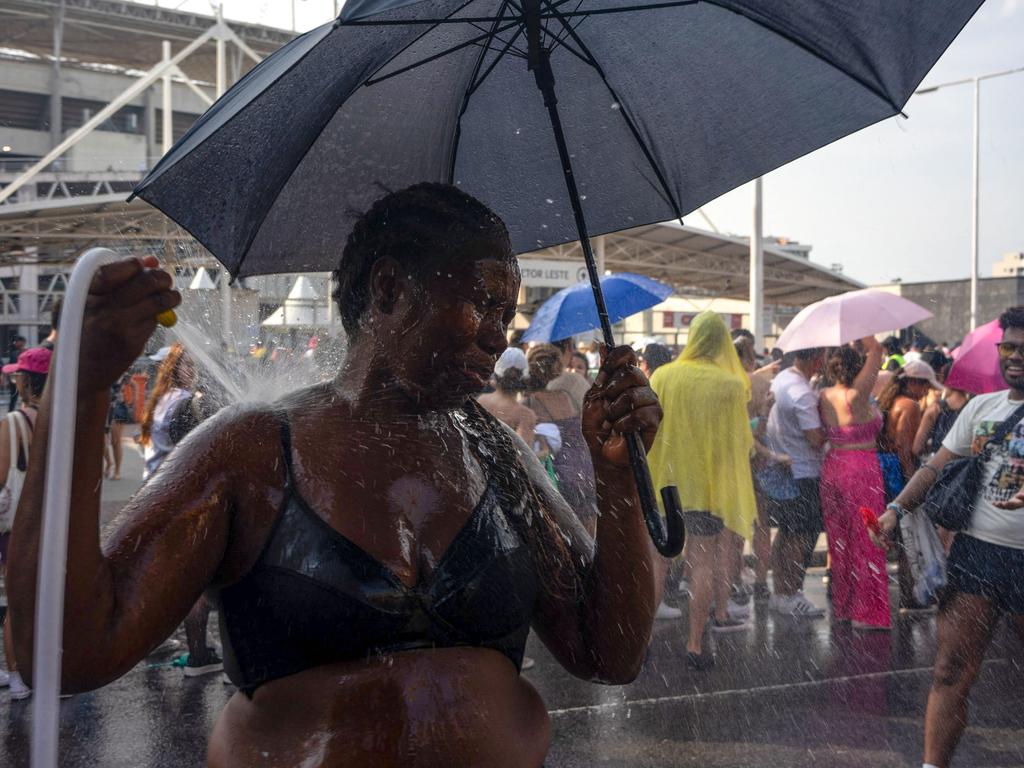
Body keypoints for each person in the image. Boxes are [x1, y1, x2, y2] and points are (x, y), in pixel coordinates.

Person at [10, 183, 663, 767]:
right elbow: (67, 653)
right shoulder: (251, 452)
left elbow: (610, 653)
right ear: (386, 290)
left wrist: (618, 482)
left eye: (506, 312)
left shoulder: (495, 453)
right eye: (484, 303)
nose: (499, 335)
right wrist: (82, 388)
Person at [875, 306, 1024, 768]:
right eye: (1009, 347)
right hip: (977, 555)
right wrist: (896, 510)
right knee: (950, 671)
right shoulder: (983, 407)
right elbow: (934, 466)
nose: (1014, 357)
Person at [648, 312, 758, 669]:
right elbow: (739, 444)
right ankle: (695, 644)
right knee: (703, 562)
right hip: (707, 490)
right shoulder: (729, 385)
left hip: (666, 485)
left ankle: (643, 641)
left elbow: (649, 427)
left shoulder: (663, 376)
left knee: (658, 562)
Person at [137, 343, 222, 677]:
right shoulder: (184, 403)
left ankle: (150, 641)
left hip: (151, 494)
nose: (194, 371)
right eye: (188, 366)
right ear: (175, 369)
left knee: (160, 575)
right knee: (195, 580)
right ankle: (199, 656)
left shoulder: (157, 401)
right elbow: (194, 454)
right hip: (176, 498)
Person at [818, 338, 890, 631]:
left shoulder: (823, 395)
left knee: (840, 540)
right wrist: (868, 336)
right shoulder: (857, 395)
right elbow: (878, 352)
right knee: (869, 537)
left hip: (832, 468)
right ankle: (868, 612)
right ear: (857, 368)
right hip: (860, 469)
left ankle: (846, 607)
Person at [0, 346, 51, 700]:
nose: (15, 379)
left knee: (16, 600)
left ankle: (16, 674)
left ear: (27, 381)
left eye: (18, 374)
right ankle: (46, 666)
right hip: (51, 520)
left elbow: (1, 476)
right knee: (45, 596)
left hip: (17, 524)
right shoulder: (62, 419)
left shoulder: (13, 423)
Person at [765, 347, 827, 618]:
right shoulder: (801, 392)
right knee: (799, 536)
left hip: (784, 468)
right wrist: (837, 428)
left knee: (786, 533)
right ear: (815, 360)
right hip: (804, 472)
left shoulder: (781, 379)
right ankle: (791, 593)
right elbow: (815, 438)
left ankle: (780, 593)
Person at [877, 359, 942, 611]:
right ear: (913, 382)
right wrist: (912, 480)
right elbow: (905, 447)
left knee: (895, 537)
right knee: (907, 539)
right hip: (898, 471)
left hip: (882, 466)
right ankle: (909, 597)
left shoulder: (889, 401)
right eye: (924, 385)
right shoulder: (911, 405)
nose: (926, 391)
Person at [524, 343, 598, 534]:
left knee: (563, 538)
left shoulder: (530, 404)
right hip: (584, 469)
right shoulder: (565, 396)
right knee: (590, 534)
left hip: (558, 475)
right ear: (556, 370)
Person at [477, 347, 536, 444]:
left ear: (496, 375)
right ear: (524, 379)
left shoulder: (482, 400)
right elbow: (522, 455)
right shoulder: (525, 415)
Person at [548, 337, 591, 410]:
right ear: (569, 348)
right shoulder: (575, 381)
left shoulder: (543, 377)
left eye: (580, 367)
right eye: (570, 366)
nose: (574, 370)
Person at [5, 335, 25, 412]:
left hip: (17, 378)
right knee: (15, 397)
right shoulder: (14, 352)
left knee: (16, 397)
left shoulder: (17, 352)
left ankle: (13, 412)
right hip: (16, 378)